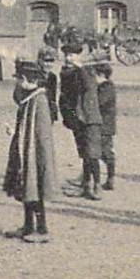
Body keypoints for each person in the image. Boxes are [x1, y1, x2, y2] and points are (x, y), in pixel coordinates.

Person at [3, 57, 56, 243]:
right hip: (25, 151)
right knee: (26, 189)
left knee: (35, 190)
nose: (17, 82)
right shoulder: (30, 97)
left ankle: (42, 229)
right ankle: (28, 226)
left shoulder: (39, 100)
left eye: (19, 79)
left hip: (33, 155)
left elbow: (41, 136)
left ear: (26, 79)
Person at [58, 45, 103, 199]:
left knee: (92, 154)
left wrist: (81, 68)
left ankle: (97, 185)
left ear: (79, 56)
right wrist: (68, 117)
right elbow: (65, 96)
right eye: (66, 55)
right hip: (78, 119)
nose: (68, 58)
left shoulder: (88, 70)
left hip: (90, 118)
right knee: (84, 153)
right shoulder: (67, 72)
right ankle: (86, 185)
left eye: (72, 55)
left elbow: (89, 86)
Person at [95, 60, 118, 191]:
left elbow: (100, 102)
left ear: (102, 75)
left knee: (105, 153)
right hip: (104, 125)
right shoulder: (105, 87)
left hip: (105, 126)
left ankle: (110, 179)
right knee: (99, 152)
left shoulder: (107, 87)